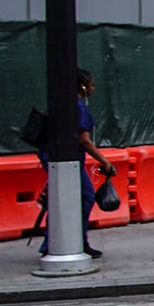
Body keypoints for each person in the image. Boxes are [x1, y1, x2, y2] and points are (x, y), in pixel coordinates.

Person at [42, 68, 115, 258]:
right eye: (91, 83)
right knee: (86, 197)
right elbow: (84, 139)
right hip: (68, 161)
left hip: (57, 158)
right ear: (82, 86)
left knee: (62, 200)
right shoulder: (78, 106)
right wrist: (104, 161)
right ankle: (75, 241)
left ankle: (53, 242)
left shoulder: (63, 104)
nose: (93, 87)